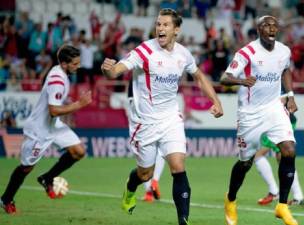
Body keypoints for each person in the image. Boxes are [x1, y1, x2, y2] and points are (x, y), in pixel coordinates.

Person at [101, 8, 223, 225]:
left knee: (178, 165)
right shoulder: (144, 51)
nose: (160, 28)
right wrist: (108, 70)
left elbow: (199, 76)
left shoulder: (183, 54)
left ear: (176, 30)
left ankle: (183, 220)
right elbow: (117, 70)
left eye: (166, 25)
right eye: (158, 24)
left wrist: (216, 100)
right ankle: (130, 188)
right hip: (144, 122)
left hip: (170, 118)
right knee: (145, 174)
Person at [220, 15, 298, 225]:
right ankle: (231, 200)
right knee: (246, 162)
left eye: (275, 25)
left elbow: (285, 70)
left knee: (289, 150)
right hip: (250, 114)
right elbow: (224, 78)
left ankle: (282, 206)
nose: (272, 29)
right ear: (258, 30)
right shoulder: (247, 52)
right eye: (267, 26)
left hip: (274, 108)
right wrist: (242, 80)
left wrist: (290, 96)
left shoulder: (284, 51)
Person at [0, 45, 92, 214]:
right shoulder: (57, 79)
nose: (78, 66)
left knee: (78, 151)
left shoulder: (62, 72)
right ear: (64, 64)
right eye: (75, 63)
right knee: (26, 167)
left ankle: (47, 178)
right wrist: (79, 104)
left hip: (53, 125)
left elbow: (54, 111)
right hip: (39, 129)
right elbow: (53, 110)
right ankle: (6, 199)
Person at [255, 109, 304, 206]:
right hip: (283, 119)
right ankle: (298, 197)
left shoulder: (275, 95)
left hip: (278, 121)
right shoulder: (284, 94)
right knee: (282, 158)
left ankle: (274, 192)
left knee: (258, 155)